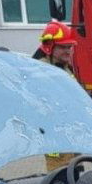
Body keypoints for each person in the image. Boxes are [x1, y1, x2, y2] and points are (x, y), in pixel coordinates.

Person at [35, 21, 78, 171]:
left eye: (70, 47)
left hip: (72, 136)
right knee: (59, 181)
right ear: (49, 47)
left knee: (76, 175)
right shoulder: (41, 72)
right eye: (63, 47)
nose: (68, 51)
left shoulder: (64, 68)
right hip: (57, 141)